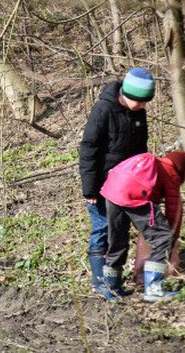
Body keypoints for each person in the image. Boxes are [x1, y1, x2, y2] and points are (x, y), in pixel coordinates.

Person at [79, 68, 155, 299]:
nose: (142, 106)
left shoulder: (138, 114)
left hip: (128, 186)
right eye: (139, 101)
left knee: (119, 232)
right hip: (102, 184)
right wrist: (90, 189)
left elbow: (141, 151)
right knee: (103, 228)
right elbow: (88, 149)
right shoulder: (103, 109)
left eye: (145, 102)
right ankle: (100, 283)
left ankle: (114, 281)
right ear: (127, 94)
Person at [101, 151, 185, 302]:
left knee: (117, 239)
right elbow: (174, 210)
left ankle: (111, 289)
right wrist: (173, 238)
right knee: (163, 236)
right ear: (182, 170)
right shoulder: (172, 173)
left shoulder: (152, 163)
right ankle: (153, 289)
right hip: (133, 193)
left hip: (112, 191)